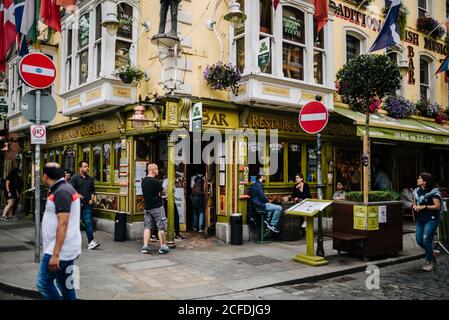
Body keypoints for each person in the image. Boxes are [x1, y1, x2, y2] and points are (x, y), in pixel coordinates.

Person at [36, 163, 81, 300]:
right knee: (65, 285)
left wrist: (55, 254)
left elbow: (63, 224)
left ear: (45, 176)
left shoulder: (61, 191)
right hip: (66, 247)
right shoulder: (63, 188)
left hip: (59, 249)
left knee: (43, 283)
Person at [412, 172, 443, 272]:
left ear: (424, 182)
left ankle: (429, 262)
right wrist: (415, 207)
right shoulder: (417, 191)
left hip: (432, 219)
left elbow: (437, 206)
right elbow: (415, 203)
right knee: (419, 240)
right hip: (420, 219)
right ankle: (434, 253)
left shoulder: (433, 192)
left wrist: (424, 206)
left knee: (426, 240)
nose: (417, 180)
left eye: (419, 178)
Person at [69, 161, 101, 250]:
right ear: (80, 168)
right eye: (85, 166)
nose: (87, 168)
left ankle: (91, 242)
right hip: (76, 205)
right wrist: (77, 195)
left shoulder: (90, 179)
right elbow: (69, 189)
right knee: (73, 224)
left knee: (88, 222)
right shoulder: (74, 178)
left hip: (87, 204)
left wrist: (92, 198)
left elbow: (93, 191)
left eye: (88, 166)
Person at [141, 163, 170, 254]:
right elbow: (162, 192)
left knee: (148, 227)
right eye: (157, 169)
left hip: (147, 207)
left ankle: (145, 246)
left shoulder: (144, 181)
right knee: (161, 227)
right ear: (152, 170)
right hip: (157, 207)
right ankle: (163, 246)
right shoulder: (156, 182)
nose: (158, 170)